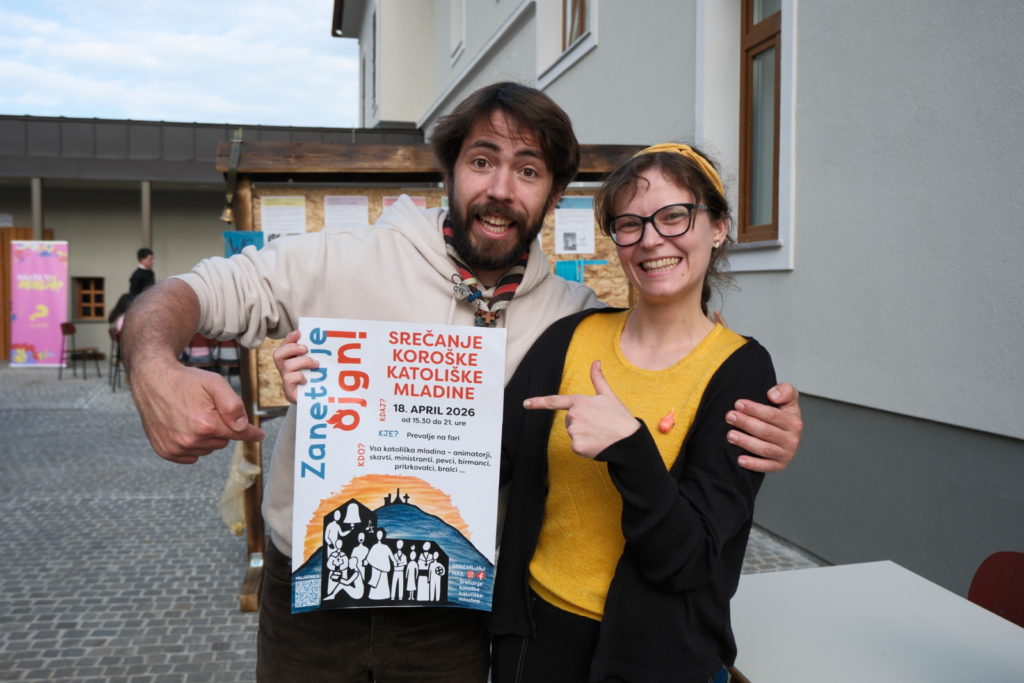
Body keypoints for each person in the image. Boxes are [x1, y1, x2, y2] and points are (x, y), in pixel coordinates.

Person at [121, 82, 803, 682]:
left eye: (528, 170)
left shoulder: (569, 318)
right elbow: (191, 294)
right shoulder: (342, 259)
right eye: (482, 161)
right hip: (314, 595)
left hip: (452, 607)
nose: (501, 188)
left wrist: (769, 423)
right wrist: (155, 365)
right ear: (449, 172)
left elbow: (668, 345)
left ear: (553, 196)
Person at [489, 143, 772, 682]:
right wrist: (344, 399)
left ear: (718, 228)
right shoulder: (569, 338)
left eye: (674, 216)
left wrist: (630, 447)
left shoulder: (740, 371)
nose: (651, 239)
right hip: (534, 637)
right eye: (630, 224)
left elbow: (689, 561)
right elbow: (482, 456)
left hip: (655, 657)